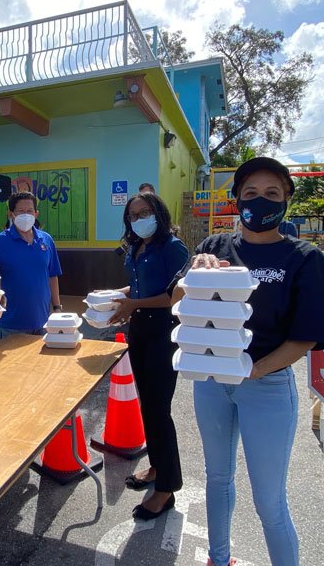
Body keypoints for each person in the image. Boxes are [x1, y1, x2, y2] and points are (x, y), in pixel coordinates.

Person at [172, 157, 324, 566]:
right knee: (217, 479)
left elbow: (305, 337)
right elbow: (176, 300)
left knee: (269, 500)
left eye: (272, 193)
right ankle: (218, 558)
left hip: (266, 387)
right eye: (250, 193)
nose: (261, 201)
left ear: (286, 200)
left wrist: (254, 369)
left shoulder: (304, 258)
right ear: (236, 201)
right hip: (212, 381)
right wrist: (194, 275)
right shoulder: (213, 248)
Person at [106, 192, 189, 521]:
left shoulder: (173, 248)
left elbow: (173, 296)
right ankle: (156, 467)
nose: (139, 219)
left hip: (163, 333)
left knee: (158, 410)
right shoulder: (135, 248)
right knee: (148, 407)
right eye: (134, 215)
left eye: (145, 212)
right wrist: (119, 296)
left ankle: (166, 489)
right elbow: (138, 286)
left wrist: (133, 304)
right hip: (139, 330)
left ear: (159, 213)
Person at [0, 191, 62, 337]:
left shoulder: (46, 240)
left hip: (43, 323)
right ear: (10, 214)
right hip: (12, 325)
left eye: (30, 211)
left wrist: (57, 308)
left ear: (36, 213)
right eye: (21, 211)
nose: (26, 215)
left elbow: (52, 276)